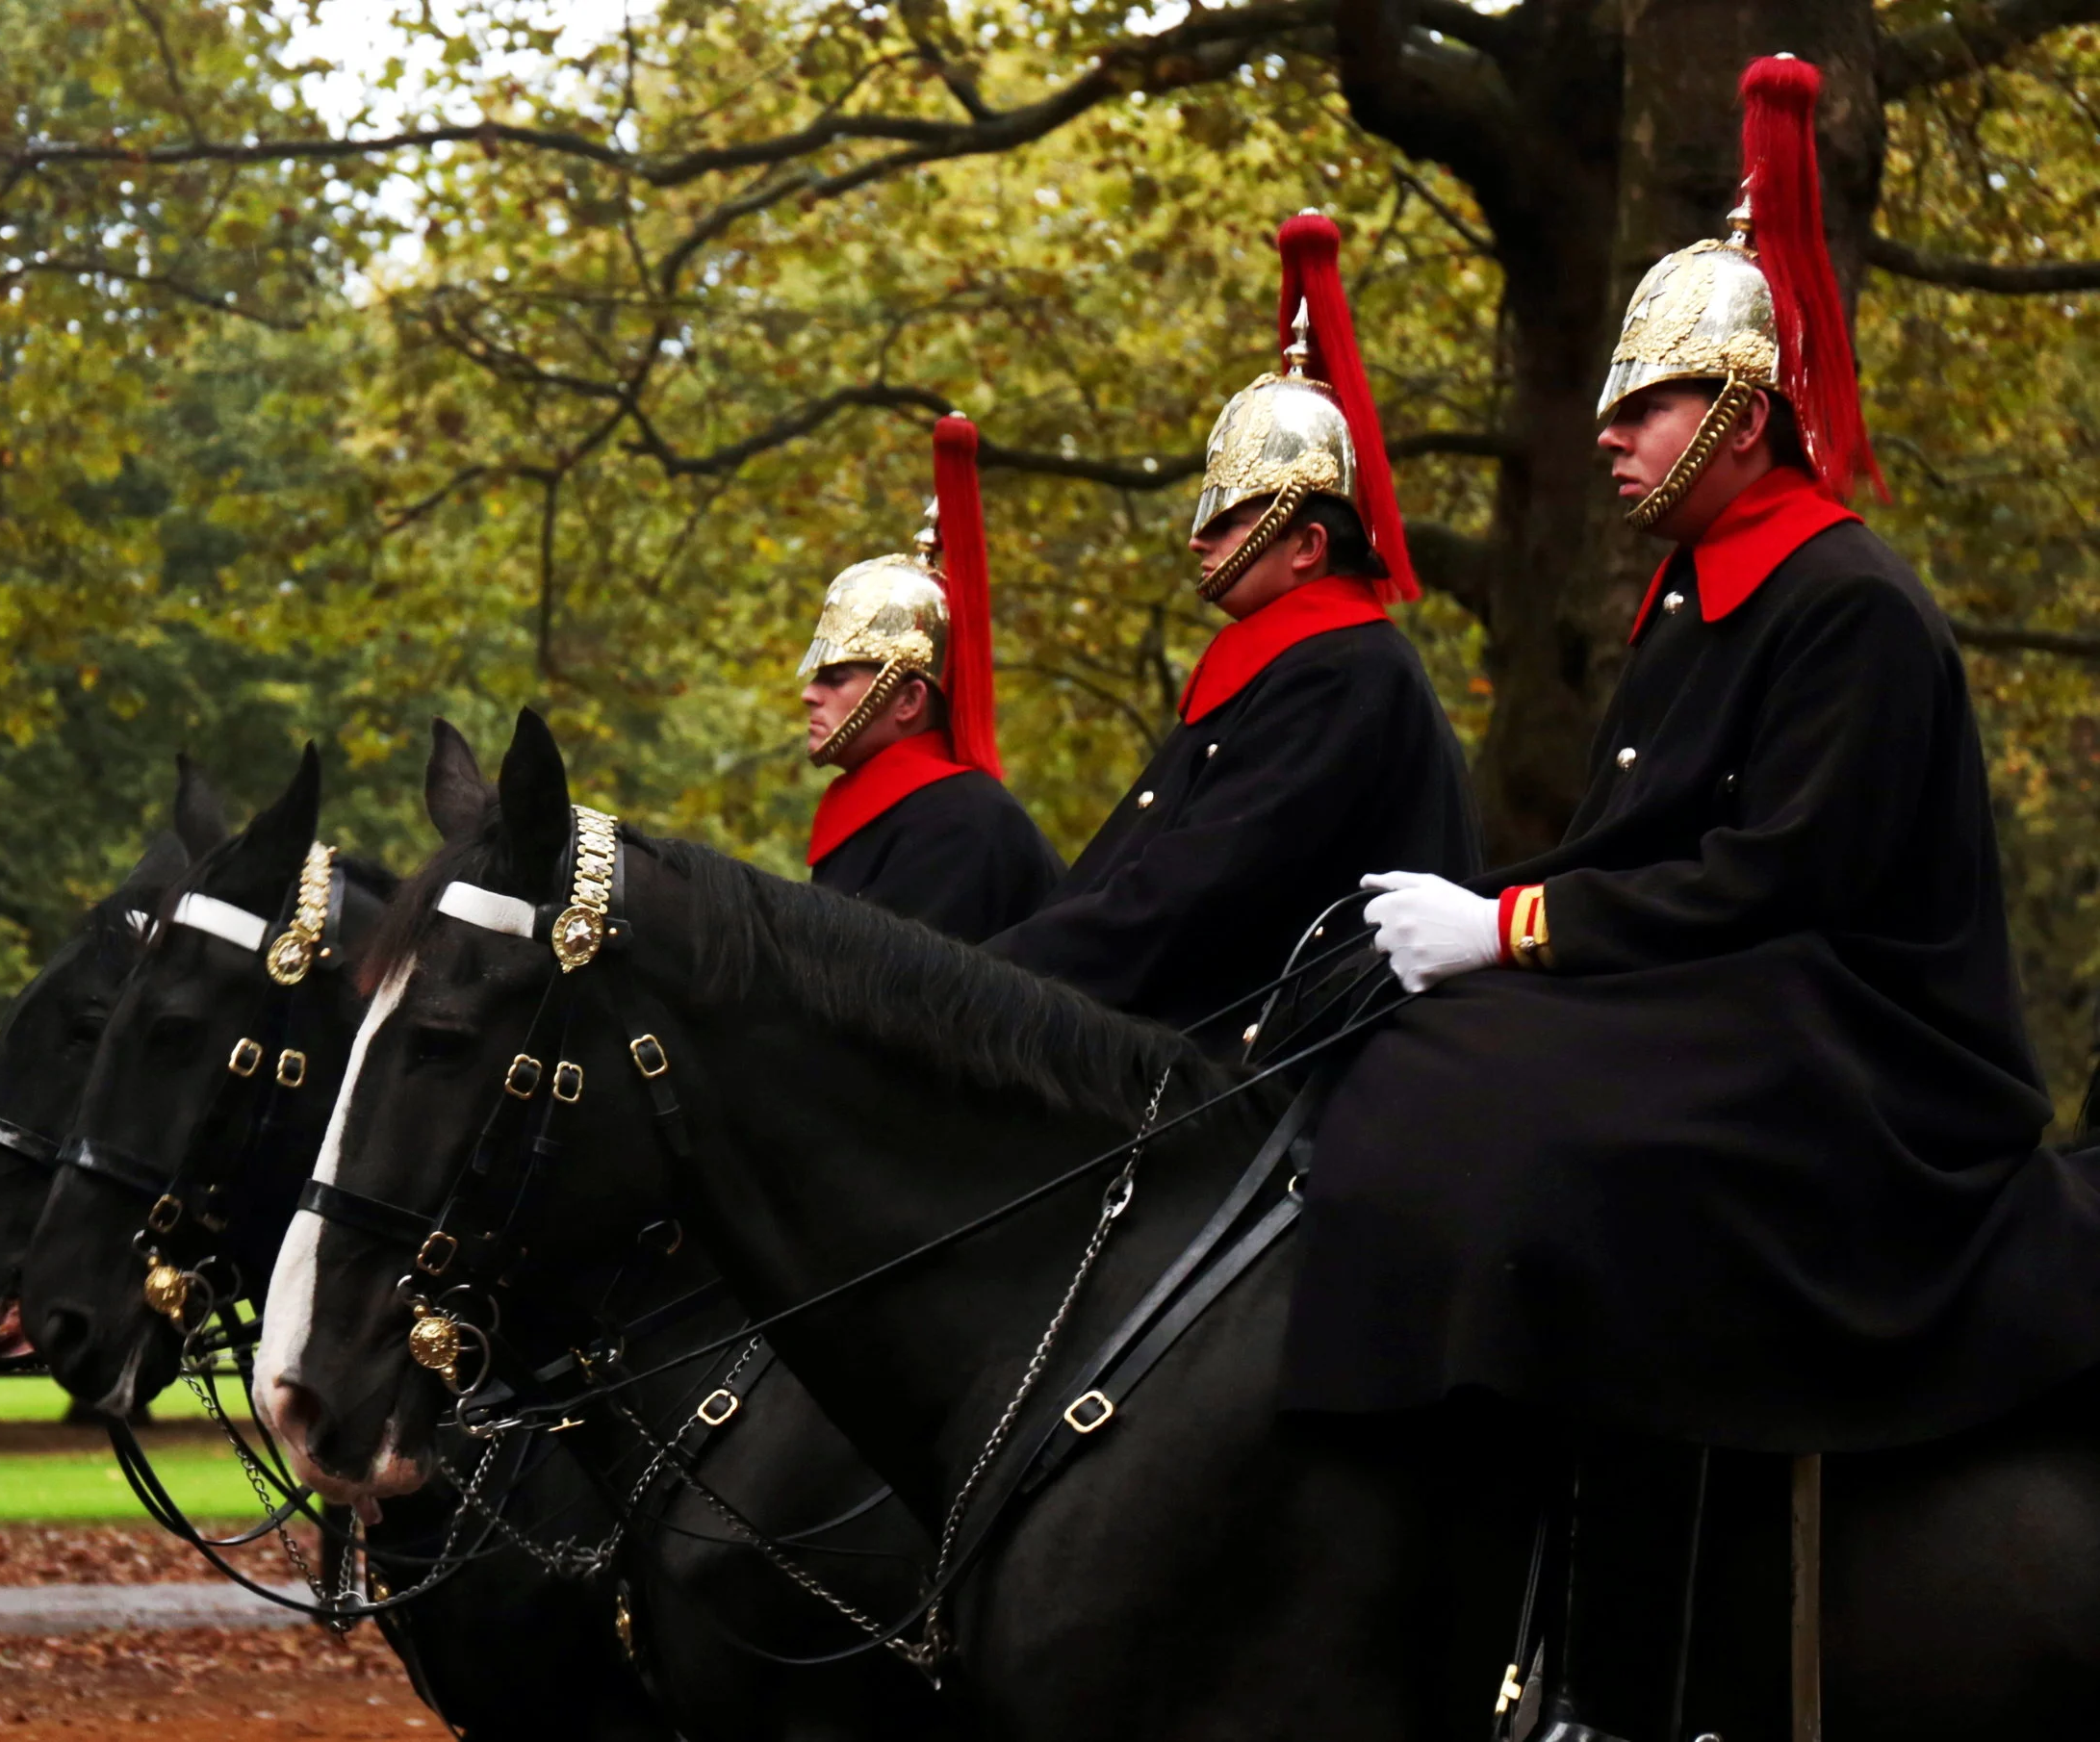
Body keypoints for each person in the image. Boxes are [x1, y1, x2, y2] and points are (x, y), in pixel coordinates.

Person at [1287, 57, 2100, 1742]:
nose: (1609, 430)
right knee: (1421, 1055)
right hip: (1740, 990)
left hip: (1870, 1042)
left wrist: (1510, 933)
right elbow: (1631, 850)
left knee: (1569, 1137)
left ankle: (1619, 1663)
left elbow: (1783, 876)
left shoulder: (1851, 602)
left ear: (1743, 409)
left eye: (1646, 403)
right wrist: (1474, 919)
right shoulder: (1691, 599)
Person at [983, 213, 1479, 1042]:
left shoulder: (1345, 669)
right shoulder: (1294, 664)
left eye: (1228, 519)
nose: (1198, 540)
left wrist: (986, 983)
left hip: (1305, 1058)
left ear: (1307, 545)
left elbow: (1194, 895)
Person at [801, 414, 1062, 943]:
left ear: (908, 700)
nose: (809, 694)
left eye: (836, 678)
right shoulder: (902, 811)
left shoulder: (959, 820)